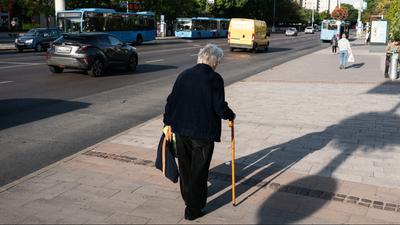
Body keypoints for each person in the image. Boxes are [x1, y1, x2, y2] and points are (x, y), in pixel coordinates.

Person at [163, 44, 236, 221]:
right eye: (218, 61)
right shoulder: (214, 78)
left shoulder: (184, 75)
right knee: (199, 171)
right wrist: (230, 115)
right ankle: (193, 210)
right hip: (203, 133)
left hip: (181, 130)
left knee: (186, 168)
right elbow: (219, 106)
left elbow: (171, 101)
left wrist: (167, 122)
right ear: (213, 60)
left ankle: (188, 197)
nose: (218, 64)